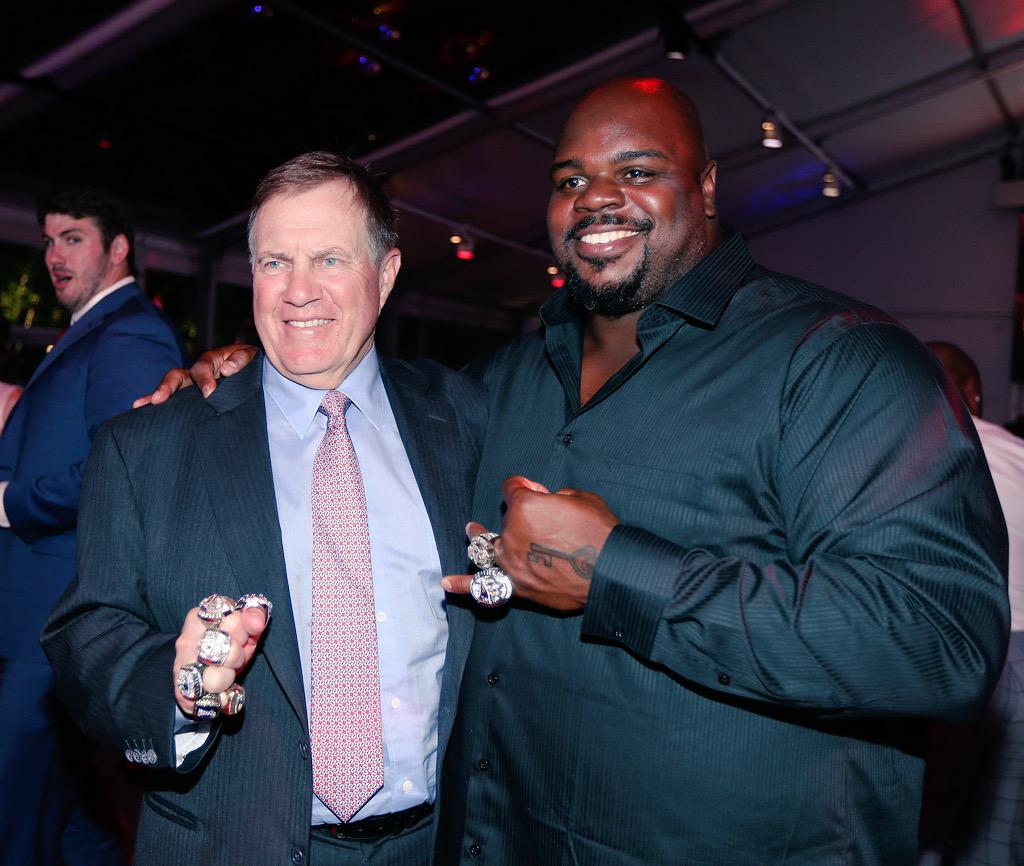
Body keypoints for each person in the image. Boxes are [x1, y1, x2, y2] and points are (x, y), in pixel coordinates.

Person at [145, 79, 1009, 865]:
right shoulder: (498, 385)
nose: (597, 196)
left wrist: (618, 569)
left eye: (637, 169)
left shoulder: (836, 363)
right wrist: (244, 383)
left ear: (706, 186)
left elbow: (940, 642)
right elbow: (354, 420)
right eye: (569, 180)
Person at [42, 153, 484, 866]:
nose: (298, 292)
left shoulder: (463, 418)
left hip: (439, 843)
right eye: (276, 261)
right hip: (231, 843)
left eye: (330, 258)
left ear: (389, 272)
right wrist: (180, 685)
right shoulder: (145, 447)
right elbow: (86, 631)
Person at [0, 187, 185, 865]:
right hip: (38, 618)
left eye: (72, 237)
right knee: (66, 813)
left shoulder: (130, 330)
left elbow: (120, 466)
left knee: (14, 815)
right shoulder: (95, 330)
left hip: (55, 619)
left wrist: (8, 502)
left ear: (117, 249)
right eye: (47, 241)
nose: (53, 255)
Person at [919, 341, 1024, 865]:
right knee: (1000, 827)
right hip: (1019, 646)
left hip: (949, 642)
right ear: (976, 394)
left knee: (929, 815)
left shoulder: (910, 450)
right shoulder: (1016, 452)